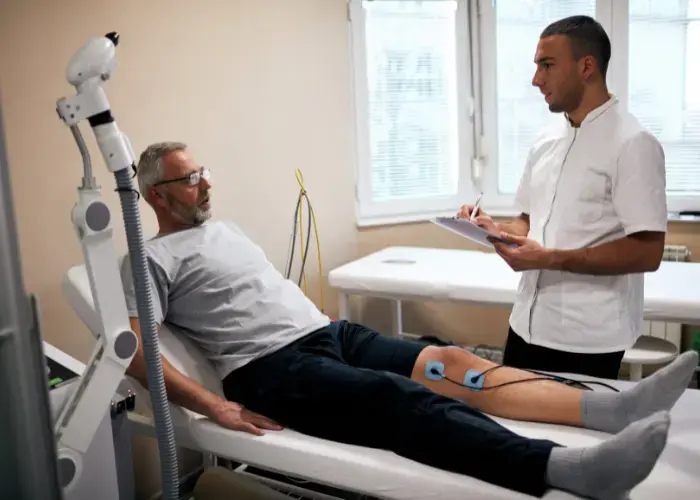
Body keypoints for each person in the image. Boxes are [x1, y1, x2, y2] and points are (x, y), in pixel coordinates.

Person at [119, 142, 696, 500]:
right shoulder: (148, 259)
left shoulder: (224, 230)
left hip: (327, 335)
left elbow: (253, 289)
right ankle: (565, 469)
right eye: (191, 177)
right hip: (272, 369)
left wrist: (308, 311)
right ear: (155, 195)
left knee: (454, 363)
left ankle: (613, 408)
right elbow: (137, 348)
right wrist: (211, 405)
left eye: (203, 171)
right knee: (401, 400)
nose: (207, 182)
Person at [459, 15, 668, 380]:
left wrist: (553, 258)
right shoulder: (545, 140)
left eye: (547, 65)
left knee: (571, 437)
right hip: (525, 324)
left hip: (587, 339)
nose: (536, 79)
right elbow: (529, 222)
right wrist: (493, 228)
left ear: (586, 66)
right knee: (513, 429)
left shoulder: (633, 144)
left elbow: (647, 252)